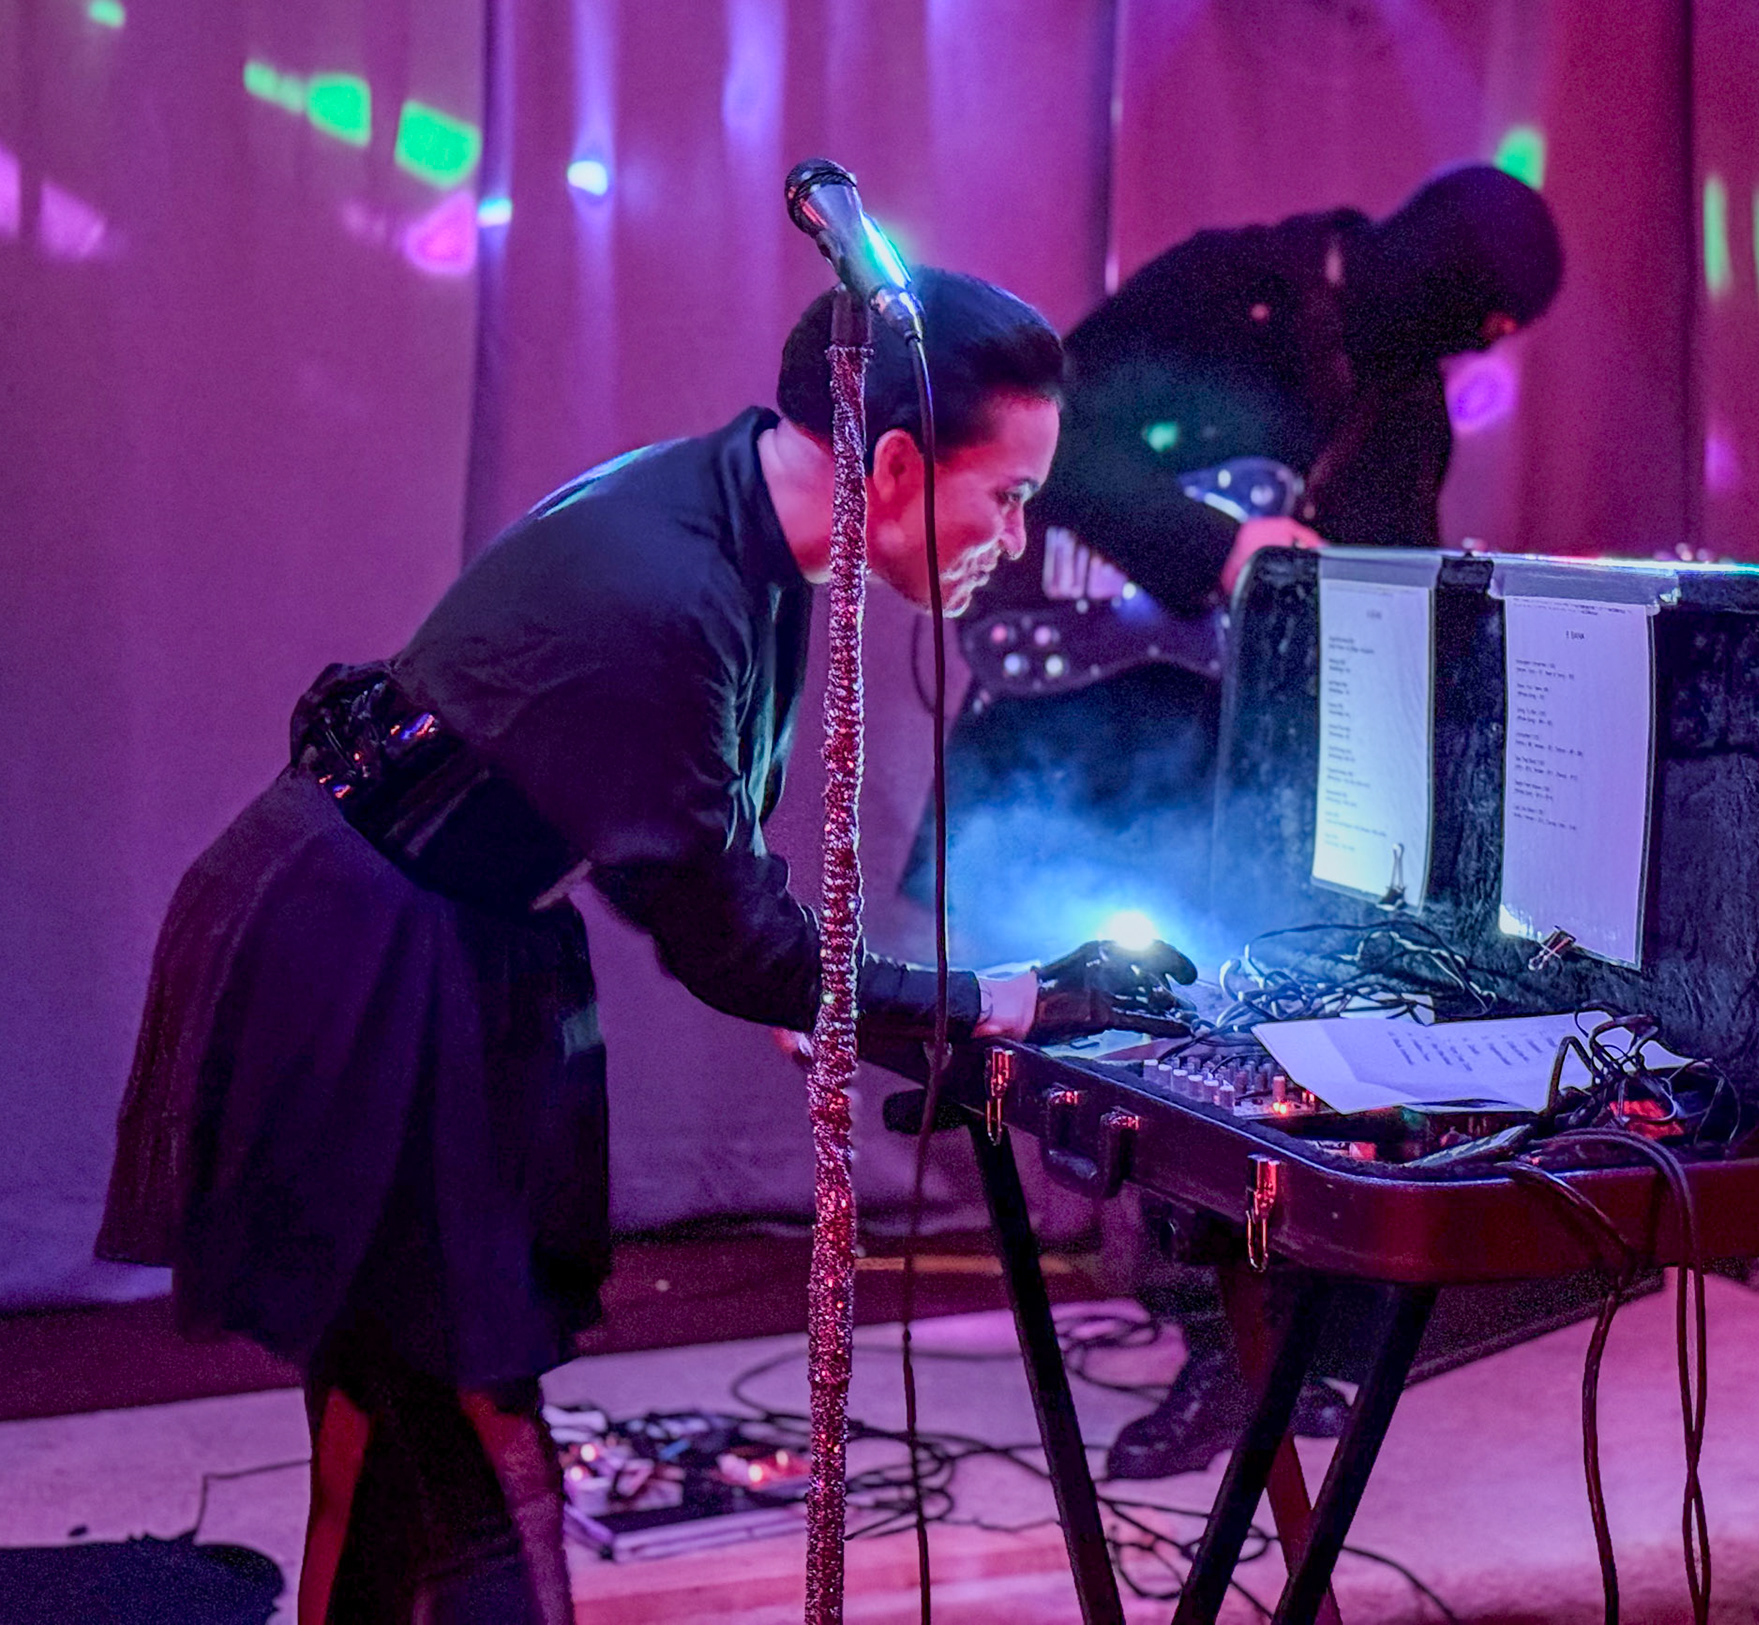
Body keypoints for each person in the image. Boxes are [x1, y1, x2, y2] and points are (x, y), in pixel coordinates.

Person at [95, 268, 1195, 1622]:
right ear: (901, 463)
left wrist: (833, 989)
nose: (1016, 542)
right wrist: (1001, 1000)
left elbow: (663, 841)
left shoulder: (738, 513)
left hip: (413, 937)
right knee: (466, 1447)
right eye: (1011, 496)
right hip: (353, 962)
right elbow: (732, 942)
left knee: (398, 1420)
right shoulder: (675, 588)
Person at [905, 165, 1564, 1477]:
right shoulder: (1225, 285)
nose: (1479, 350)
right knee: (1107, 1032)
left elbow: (1385, 581)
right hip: (1092, 728)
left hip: (1248, 771)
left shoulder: (1404, 403)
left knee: (1248, 1037)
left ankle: (1252, 1344)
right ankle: (1214, 1325)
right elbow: (1047, 439)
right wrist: (1211, 547)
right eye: (1483, 320)